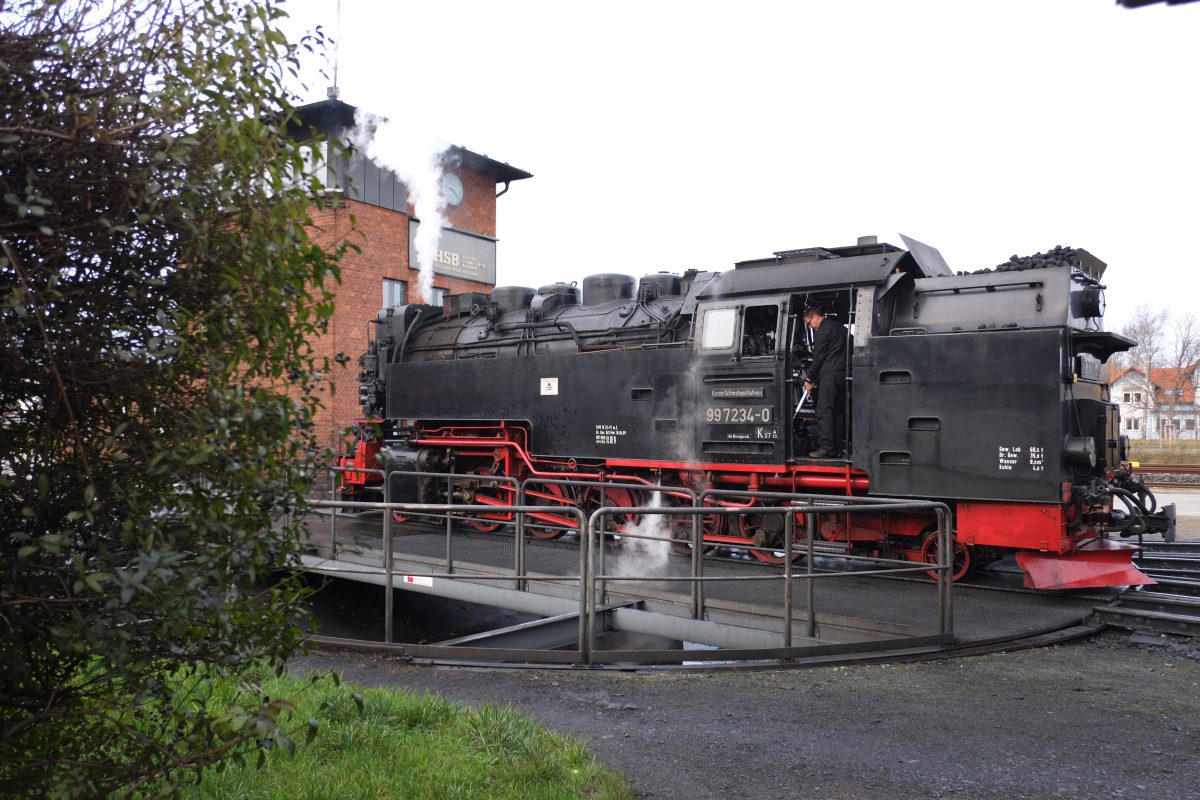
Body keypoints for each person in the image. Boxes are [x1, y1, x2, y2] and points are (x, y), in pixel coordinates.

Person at [802, 306, 847, 459]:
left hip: (828, 376)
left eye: (809, 323)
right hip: (843, 375)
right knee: (838, 412)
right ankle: (838, 447)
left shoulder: (822, 331)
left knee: (824, 411)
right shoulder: (841, 328)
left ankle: (826, 447)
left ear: (815, 317)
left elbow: (818, 358)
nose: (810, 326)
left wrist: (809, 379)